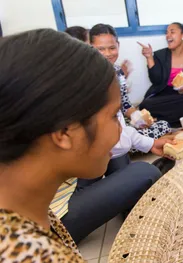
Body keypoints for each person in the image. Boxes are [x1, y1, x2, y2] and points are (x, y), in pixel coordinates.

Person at [0, 28, 120, 261]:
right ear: (65, 131)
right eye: (114, 116)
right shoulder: (31, 254)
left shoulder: (26, 211)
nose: (120, 130)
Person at [52, 109, 176, 244]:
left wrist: (149, 143)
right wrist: (147, 143)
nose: (119, 124)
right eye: (114, 116)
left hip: (65, 187)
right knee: (145, 171)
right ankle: (138, 192)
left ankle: (134, 194)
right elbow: (111, 140)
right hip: (55, 221)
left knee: (117, 156)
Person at [89, 24, 171, 137]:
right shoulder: (87, 74)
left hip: (120, 121)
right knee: (126, 138)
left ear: (118, 45)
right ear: (90, 47)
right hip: (101, 128)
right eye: (101, 49)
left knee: (163, 125)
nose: (107, 54)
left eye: (112, 48)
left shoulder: (118, 71)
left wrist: (137, 117)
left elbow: (125, 104)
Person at [138, 22, 183, 127]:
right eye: (167, 33)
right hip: (161, 95)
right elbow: (156, 81)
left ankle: (160, 119)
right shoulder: (159, 55)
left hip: (180, 96)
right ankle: (182, 119)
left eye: (172, 32)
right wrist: (149, 58)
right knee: (146, 105)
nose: (168, 35)